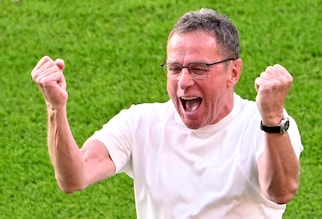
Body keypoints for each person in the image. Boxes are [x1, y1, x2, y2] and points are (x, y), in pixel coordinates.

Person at [31, 8, 303, 219]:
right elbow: (74, 177)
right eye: (174, 69)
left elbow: (281, 191)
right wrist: (56, 108)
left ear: (233, 72)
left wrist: (271, 118)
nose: (184, 82)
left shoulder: (263, 125)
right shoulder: (140, 124)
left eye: (198, 69)